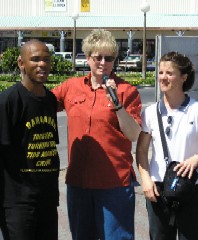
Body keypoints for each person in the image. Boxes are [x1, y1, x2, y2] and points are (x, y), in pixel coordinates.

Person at [51, 29, 142, 240]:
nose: (103, 62)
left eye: (109, 58)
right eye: (97, 57)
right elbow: (42, 103)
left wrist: (117, 105)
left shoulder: (127, 91)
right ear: (87, 57)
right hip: (79, 182)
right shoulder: (71, 87)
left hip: (114, 184)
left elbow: (133, 134)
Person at [136, 51, 198, 240]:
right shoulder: (150, 112)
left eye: (169, 73)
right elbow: (141, 150)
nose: (163, 77)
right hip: (158, 190)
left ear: (184, 77)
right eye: (160, 72)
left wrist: (197, 158)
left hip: (192, 187)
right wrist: (146, 180)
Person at [0, 39, 60, 240]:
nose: (42, 64)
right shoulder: (6, 102)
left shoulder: (49, 100)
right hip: (16, 203)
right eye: (35, 59)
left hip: (47, 199)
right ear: (21, 63)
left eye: (46, 60)